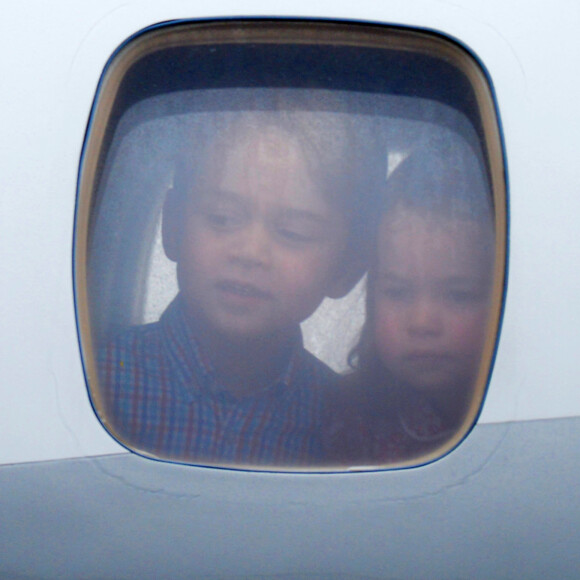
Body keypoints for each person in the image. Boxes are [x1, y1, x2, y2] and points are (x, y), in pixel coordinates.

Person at [98, 110, 369, 468]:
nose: (250, 253)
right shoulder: (98, 377)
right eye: (222, 217)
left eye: (293, 232)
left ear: (346, 269)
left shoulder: (345, 424)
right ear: (173, 224)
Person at [323, 142, 495, 466]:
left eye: (459, 295)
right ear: (372, 296)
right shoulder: (346, 419)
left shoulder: (533, 412)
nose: (422, 322)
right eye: (398, 292)